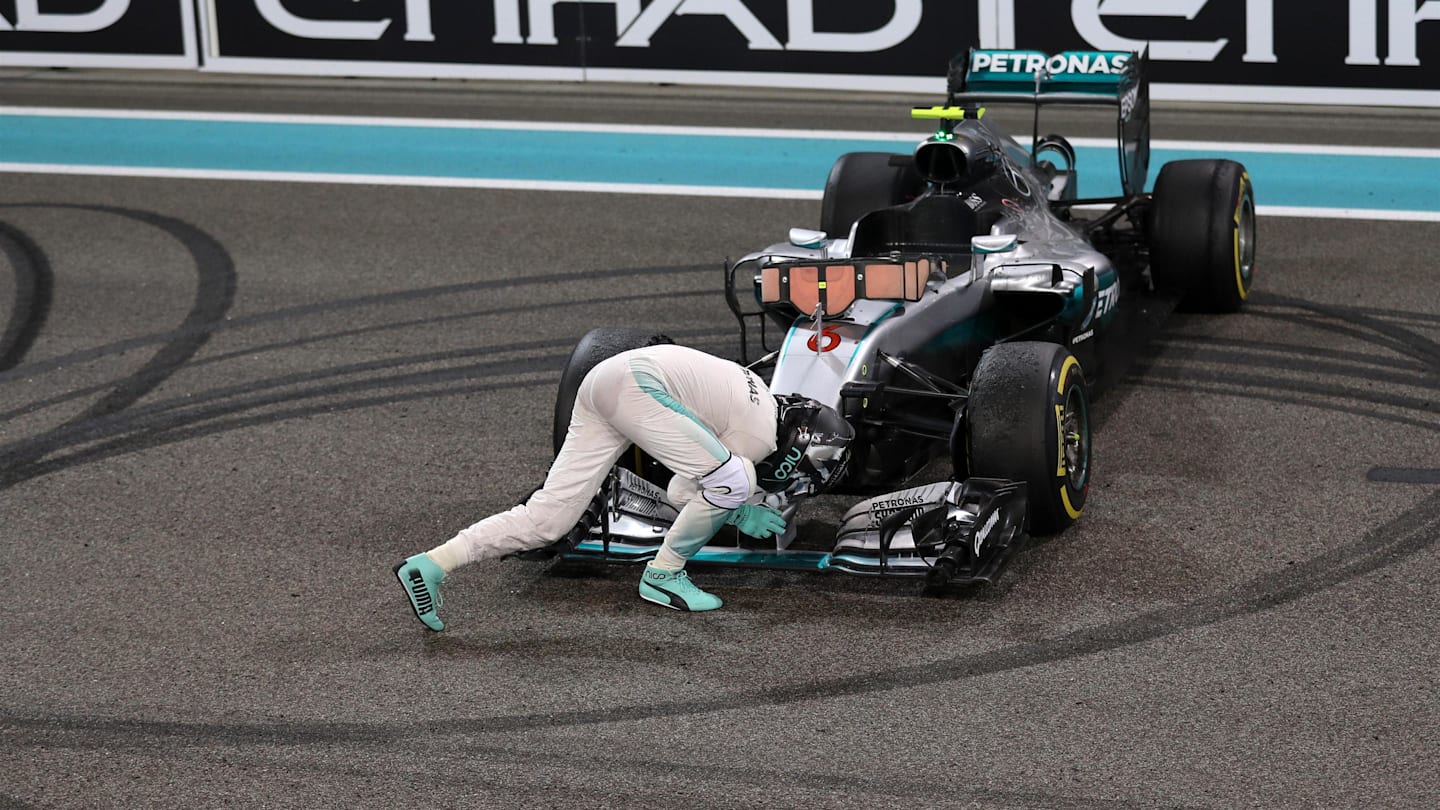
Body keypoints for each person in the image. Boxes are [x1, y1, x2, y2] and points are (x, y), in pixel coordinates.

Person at [393, 343, 852, 629]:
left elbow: (684, 486)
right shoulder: (758, 437)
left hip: (606, 379)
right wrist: (740, 508)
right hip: (635, 386)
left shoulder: (756, 394)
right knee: (736, 479)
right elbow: (695, 489)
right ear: (798, 451)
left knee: (548, 519)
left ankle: (433, 563)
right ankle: (664, 576)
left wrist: (731, 505)